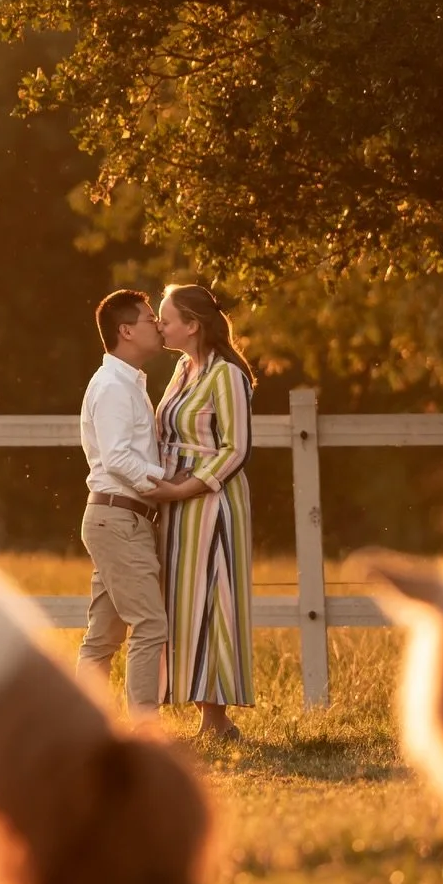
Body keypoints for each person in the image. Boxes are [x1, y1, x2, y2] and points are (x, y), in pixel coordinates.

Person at [146, 283, 256, 739]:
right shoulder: (180, 369)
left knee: (214, 597)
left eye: (166, 319)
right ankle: (201, 712)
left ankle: (216, 717)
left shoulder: (225, 375)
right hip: (175, 500)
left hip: (212, 501)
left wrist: (186, 487)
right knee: (182, 600)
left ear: (192, 325)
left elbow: (235, 449)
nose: (158, 324)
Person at [76, 289, 168, 719]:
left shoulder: (125, 382)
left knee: (103, 636)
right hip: (119, 518)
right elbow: (116, 457)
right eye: (151, 319)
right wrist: (168, 484)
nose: (159, 325)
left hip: (116, 518)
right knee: (150, 624)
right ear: (125, 331)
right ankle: (146, 730)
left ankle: (77, 728)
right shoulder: (114, 386)